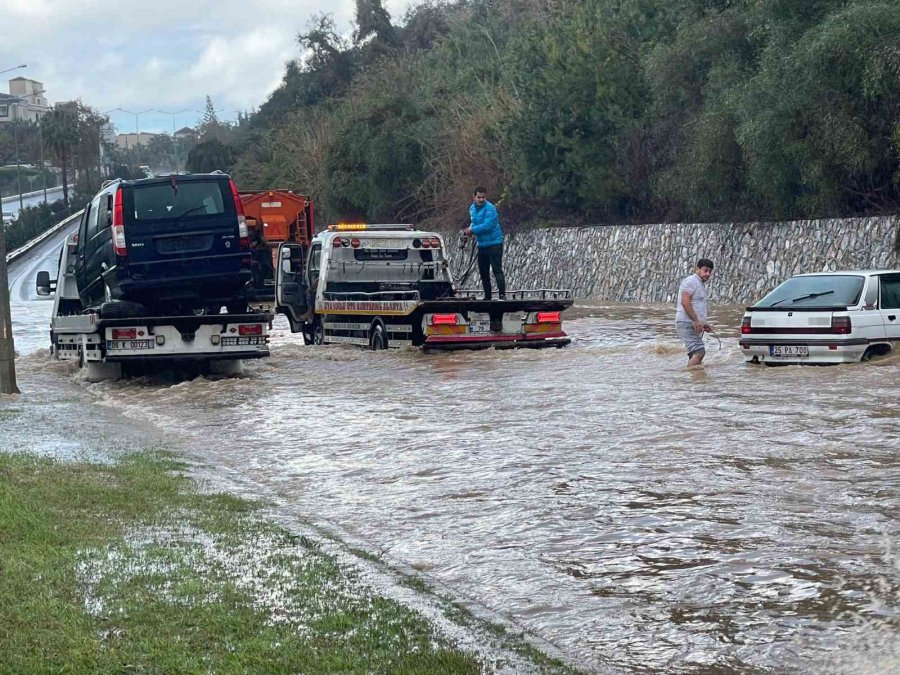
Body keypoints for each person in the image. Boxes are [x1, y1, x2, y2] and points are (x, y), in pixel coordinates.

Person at [466, 187, 506, 300]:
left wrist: (473, 230)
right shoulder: (472, 209)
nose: (481, 199)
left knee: (496, 269)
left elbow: (488, 226)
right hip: (482, 244)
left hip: (495, 243)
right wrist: (469, 229)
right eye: (479, 197)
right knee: (483, 272)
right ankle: (487, 296)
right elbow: (474, 222)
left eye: (483, 197)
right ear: (474, 197)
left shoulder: (490, 209)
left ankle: (502, 296)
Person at [675, 258, 714, 366]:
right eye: (705, 270)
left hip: (693, 323)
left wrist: (703, 323)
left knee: (693, 354)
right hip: (687, 322)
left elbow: (697, 305)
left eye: (710, 271)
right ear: (697, 269)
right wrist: (696, 320)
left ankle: (691, 380)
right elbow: (685, 302)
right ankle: (689, 375)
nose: (708, 274)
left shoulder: (699, 283)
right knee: (699, 352)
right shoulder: (691, 281)